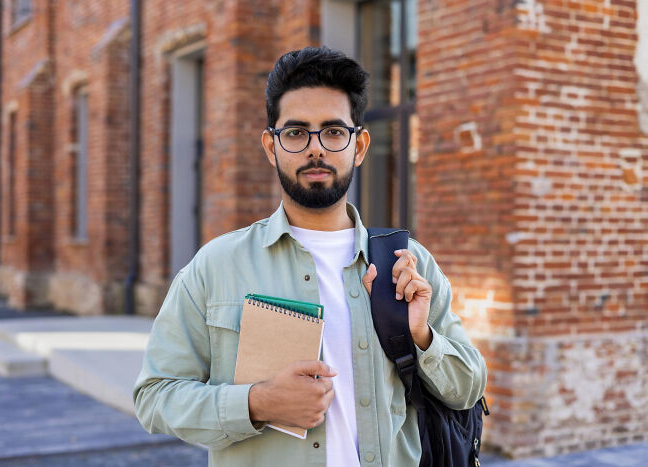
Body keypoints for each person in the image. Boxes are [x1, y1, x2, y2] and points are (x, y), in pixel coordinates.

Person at [133, 46, 487, 467]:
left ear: (359, 146)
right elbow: (154, 396)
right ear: (271, 146)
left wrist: (422, 337)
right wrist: (257, 403)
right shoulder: (216, 266)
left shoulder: (408, 262)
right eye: (296, 132)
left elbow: (469, 387)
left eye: (334, 132)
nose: (315, 149)